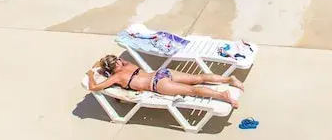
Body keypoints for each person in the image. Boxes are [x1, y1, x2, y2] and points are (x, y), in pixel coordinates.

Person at [87, 54, 241, 108]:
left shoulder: (116, 77)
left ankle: (223, 96)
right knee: (198, 78)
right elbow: (116, 62)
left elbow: (94, 87)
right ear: (118, 62)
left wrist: (91, 74)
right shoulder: (128, 65)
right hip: (161, 72)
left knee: (192, 91)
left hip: (158, 84)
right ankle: (229, 79)